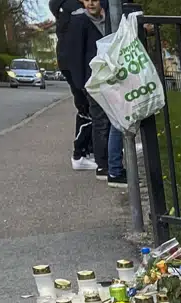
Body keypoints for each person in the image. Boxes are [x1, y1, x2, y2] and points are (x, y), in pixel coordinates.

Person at [58, 0, 125, 188]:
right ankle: (103, 166)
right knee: (101, 122)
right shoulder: (79, 22)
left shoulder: (109, 18)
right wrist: (81, 85)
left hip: (108, 77)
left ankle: (109, 163)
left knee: (110, 119)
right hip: (93, 80)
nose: (91, 3)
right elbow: (75, 55)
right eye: (87, 0)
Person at [49, 0, 94, 171]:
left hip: (72, 62)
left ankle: (89, 150)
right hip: (74, 64)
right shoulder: (73, 9)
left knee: (89, 107)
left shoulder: (67, 7)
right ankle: (80, 154)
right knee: (86, 108)